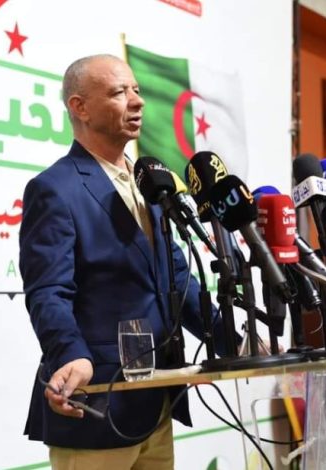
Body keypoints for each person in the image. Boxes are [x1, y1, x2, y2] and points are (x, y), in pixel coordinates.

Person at [19, 54, 229, 470]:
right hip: (97, 404)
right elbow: (48, 292)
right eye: (119, 92)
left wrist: (232, 340)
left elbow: (176, 280)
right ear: (80, 107)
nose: (137, 101)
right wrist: (69, 355)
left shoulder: (152, 183)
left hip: (157, 402)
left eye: (136, 90)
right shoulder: (54, 189)